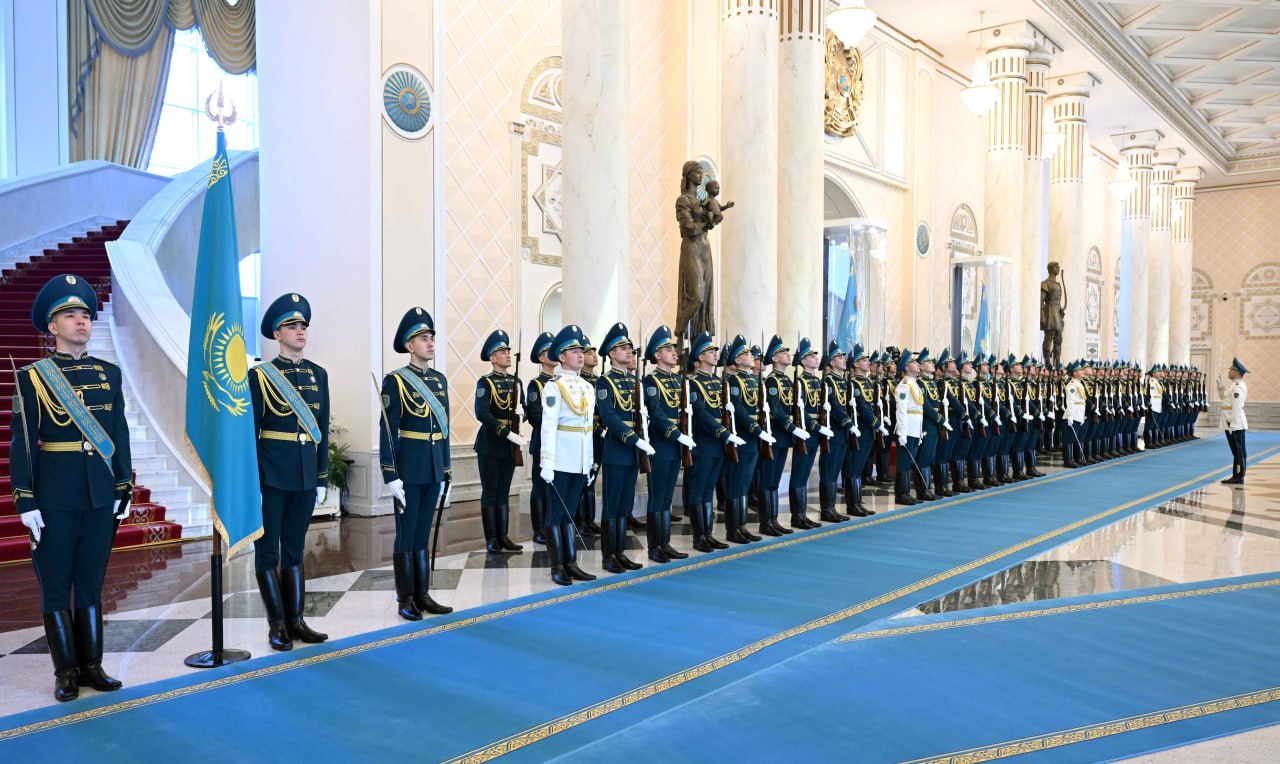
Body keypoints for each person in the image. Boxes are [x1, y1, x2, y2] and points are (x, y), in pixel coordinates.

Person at [13, 274, 133, 702]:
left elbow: (118, 433)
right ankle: (65, 671)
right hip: (55, 496)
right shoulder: (33, 377)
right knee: (55, 584)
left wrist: (123, 485)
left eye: (85, 314)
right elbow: (23, 442)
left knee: (90, 583)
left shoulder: (109, 374)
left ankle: (92, 666)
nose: (81, 321)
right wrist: (25, 498)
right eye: (70, 315)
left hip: (99, 494)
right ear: (52, 327)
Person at [249, 293, 330, 652]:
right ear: (276, 334)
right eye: (292, 326)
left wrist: (322, 476)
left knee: (295, 548)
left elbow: (322, 430)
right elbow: (251, 432)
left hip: (304, 473)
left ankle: (296, 621)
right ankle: (277, 624)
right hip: (271, 474)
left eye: (303, 326)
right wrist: (253, 481)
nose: (300, 331)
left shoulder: (318, 375)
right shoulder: (260, 376)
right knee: (268, 550)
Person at [379, 308, 454, 620]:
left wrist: (446, 470)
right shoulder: (395, 381)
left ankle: (422, 594)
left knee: (423, 532)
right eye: (424, 338)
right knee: (407, 534)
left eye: (432, 337)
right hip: (409, 469)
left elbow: (444, 429)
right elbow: (388, 430)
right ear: (409, 345)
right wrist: (390, 474)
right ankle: (405, 597)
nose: (431, 342)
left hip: (433, 467)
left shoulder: (439, 381)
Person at [539, 325, 599, 585]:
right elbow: (548, 427)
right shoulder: (554, 388)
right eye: (573, 351)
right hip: (560, 461)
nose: (579, 354)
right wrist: (547, 463)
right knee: (556, 514)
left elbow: (588, 429)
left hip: (579, 461)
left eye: (580, 350)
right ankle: (557, 565)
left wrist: (589, 463)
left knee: (570, 513)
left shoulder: (587, 387)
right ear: (562, 357)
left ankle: (571, 563)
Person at [595, 323, 654, 573]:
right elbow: (608, 416)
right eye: (623, 348)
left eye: (630, 348)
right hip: (618, 449)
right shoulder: (604, 382)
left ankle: (620, 552)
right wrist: (633, 439)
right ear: (611, 353)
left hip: (632, 452)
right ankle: (608, 556)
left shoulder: (634, 381)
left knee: (624, 504)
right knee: (612, 505)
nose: (629, 351)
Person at [642, 325, 695, 562]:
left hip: (675, 445)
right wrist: (676, 434)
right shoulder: (651, 381)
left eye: (674, 349)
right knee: (657, 496)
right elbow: (656, 413)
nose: (674, 353)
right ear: (657, 355)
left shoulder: (676, 380)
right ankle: (654, 546)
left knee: (666, 497)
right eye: (668, 349)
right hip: (661, 443)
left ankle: (665, 543)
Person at [474, 329, 526, 554]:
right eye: (502, 352)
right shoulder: (485, 382)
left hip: (509, 445)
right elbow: (482, 413)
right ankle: (491, 538)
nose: (507, 355)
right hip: (491, 443)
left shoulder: (516, 381)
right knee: (490, 491)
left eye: (508, 351)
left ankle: (503, 536)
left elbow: (522, 408)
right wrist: (505, 432)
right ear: (493, 358)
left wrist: (522, 413)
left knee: (504, 490)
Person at [686, 332, 739, 552]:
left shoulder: (718, 382)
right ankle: (699, 537)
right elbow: (700, 413)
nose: (715, 354)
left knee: (709, 491)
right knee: (698, 491)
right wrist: (723, 432)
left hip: (718, 445)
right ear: (700, 357)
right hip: (704, 443)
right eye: (710, 351)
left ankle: (708, 534)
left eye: (715, 351)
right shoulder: (693, 383)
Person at [760, 335, 811, 535]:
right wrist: (792, 427)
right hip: (775, 434)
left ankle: (773, 520)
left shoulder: (787, 380)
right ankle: (766, 522)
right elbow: (776, 409)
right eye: (783, 353)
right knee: (768, 480)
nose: (788, 355)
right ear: (774, 358)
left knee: (775, 480)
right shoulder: (772, 381)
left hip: (783, 436)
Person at [725, 335, 774, 542]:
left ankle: (742, 526)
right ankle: (733, 529)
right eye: (745, 354)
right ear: (737, 360)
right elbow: (740, 412)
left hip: (754, 440)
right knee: (735, 484)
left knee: (745, 485)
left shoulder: (754, 380)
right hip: (742, 437)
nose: (751, 356)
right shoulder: (733, 381)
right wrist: (757, 430)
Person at [790, 337, 829, 528]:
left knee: (804, 474)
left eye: (815, 356)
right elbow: (800, 410)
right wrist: (816, 426)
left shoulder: (817, 382)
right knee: (798, 474)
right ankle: (797, 516)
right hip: (805, 431)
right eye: (811, 356)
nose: (816, 358)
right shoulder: (800, 382)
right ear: (804, 361)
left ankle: (803, 514)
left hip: (814, 434)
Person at [525, 332, 556, 544]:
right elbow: (535, 416)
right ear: (542, 358)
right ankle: (539, 529)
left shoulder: (561, 382)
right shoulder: (535, 385)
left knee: (553, 487)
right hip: (542, 442)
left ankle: (550, 525)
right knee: (540, 487)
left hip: (559, 443)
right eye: (548, 351)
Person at [894, 350, 924, 506]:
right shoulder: (904, 385)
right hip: (907, 429)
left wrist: (919, 432)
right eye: (913, 362)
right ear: (906, 367)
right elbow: (901, 409)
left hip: (915, 429)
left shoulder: (914, 383)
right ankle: (901, 494)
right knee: (904, 463)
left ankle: (905, 493)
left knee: (908, 463)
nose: (918, 364)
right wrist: (902, 432)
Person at [1219, 358, 1249, 485]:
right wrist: (1220, 385)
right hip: (1231, 421)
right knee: (1236, 450)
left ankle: (1238, 475)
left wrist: (1233, 423)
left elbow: (1236, 406)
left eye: (1230, 369)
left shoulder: (1238, 387)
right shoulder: (1233, 385)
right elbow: (1223, 398)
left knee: (1238, 451)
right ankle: (1237, 474)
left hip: (1234, 423)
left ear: (1236, 372)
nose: (1229, 371)